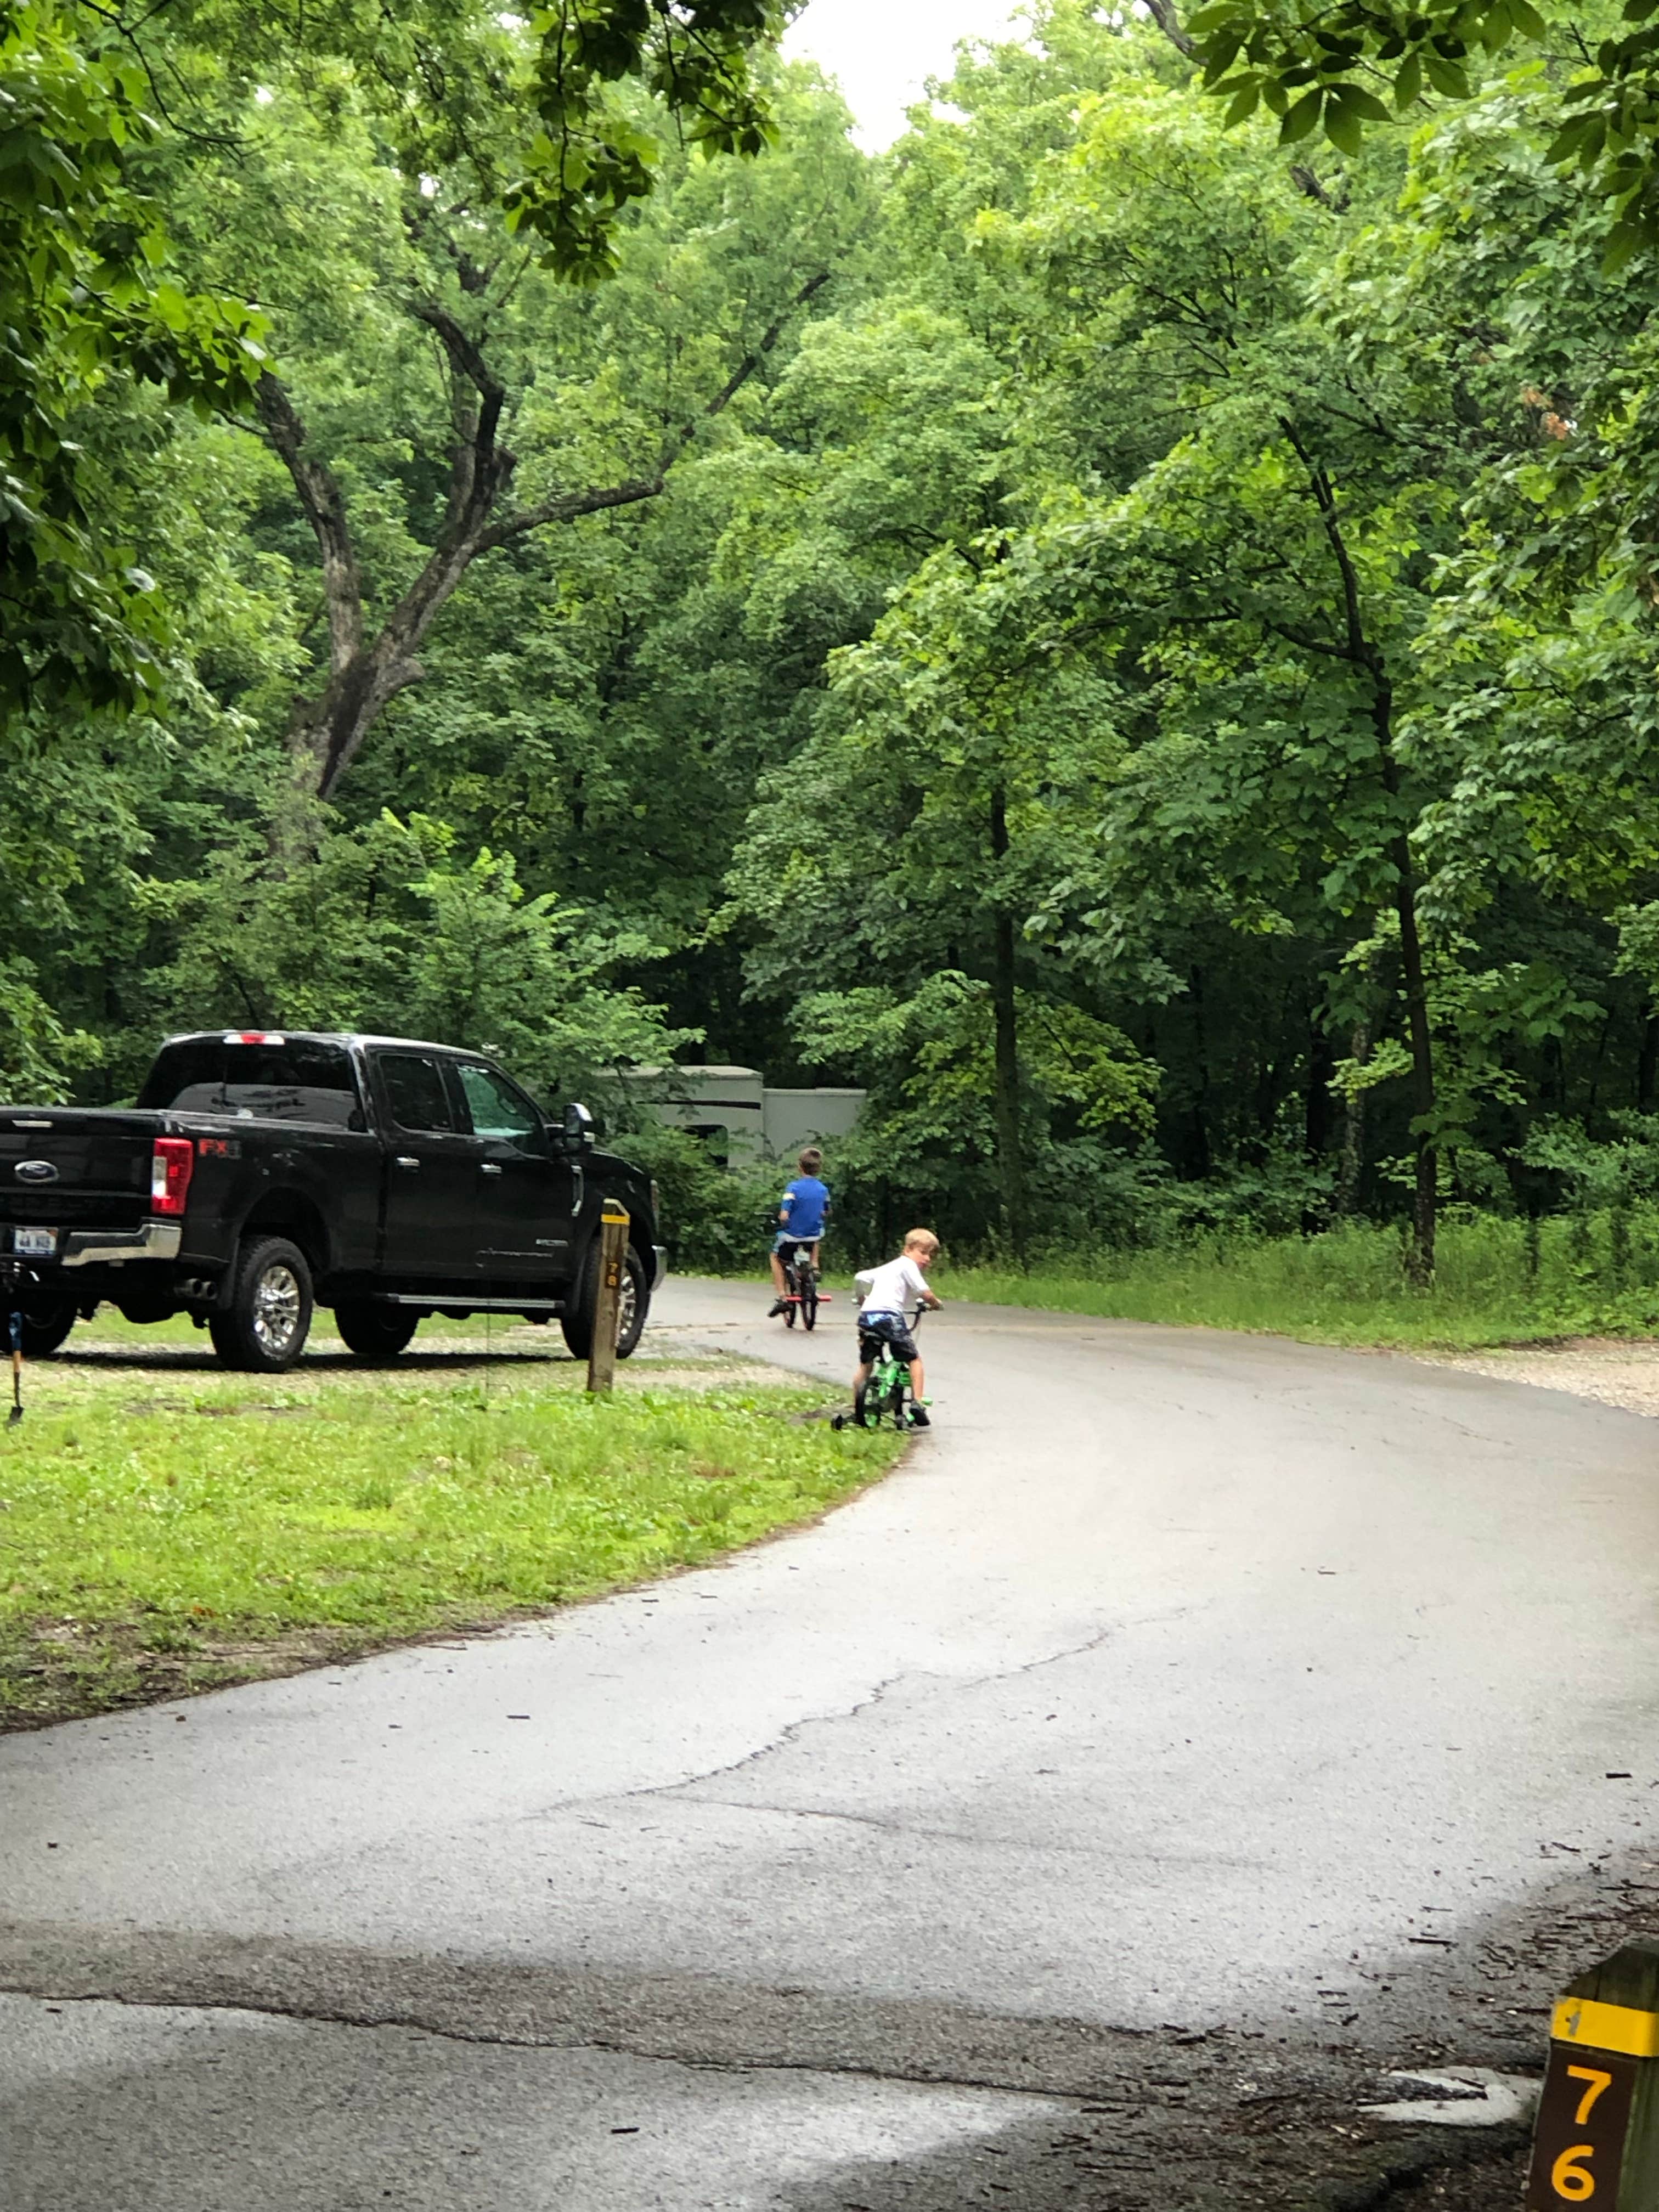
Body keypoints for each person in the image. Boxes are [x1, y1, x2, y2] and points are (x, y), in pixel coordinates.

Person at [851, 1228, 942, 1427]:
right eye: (923, 1252)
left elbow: (860, 1277)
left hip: (867, 1317)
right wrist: (935, 1303)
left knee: (866, 1365)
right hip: (889, 1318)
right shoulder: (908, 1265)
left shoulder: (887, 1268)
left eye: (930, 1255)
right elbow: (923, 1292)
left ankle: (857, 1407)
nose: (927, 1259)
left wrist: (860, 1299)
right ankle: (918, 1404)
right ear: (908, 1249)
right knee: (914, 1359)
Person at [768, 1146, 831, 1317]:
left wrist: (783, 1220)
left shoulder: (792, 1189)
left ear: (799, 1166)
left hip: (792, 1235)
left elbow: (784, 1214)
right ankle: (814, 1266)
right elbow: (826, 1211)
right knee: (818, 1233)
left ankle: (782, 1298)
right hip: (812, 1236)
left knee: (775, 1257)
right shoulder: (823, 1190)